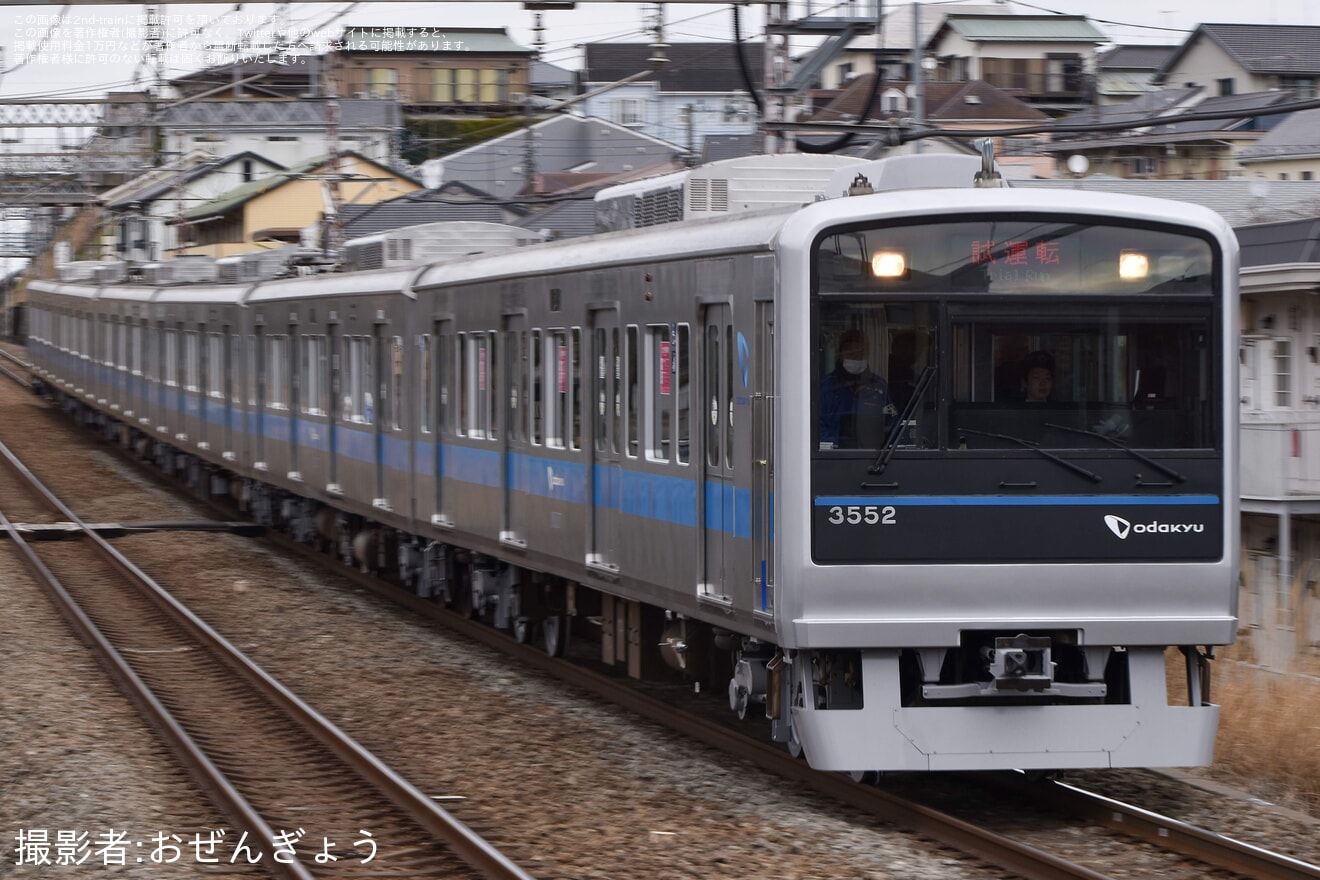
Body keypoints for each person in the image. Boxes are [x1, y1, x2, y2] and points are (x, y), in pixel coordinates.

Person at [819, 329, 895, 448]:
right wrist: (835, 444)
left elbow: (893, 421)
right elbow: (814, 424)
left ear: (867, 355)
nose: (855, 357)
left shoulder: (879, 387)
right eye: (850, 353)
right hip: (833, 456)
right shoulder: (825, 387)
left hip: (874, 457)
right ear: (840, 354)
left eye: (860, 353)